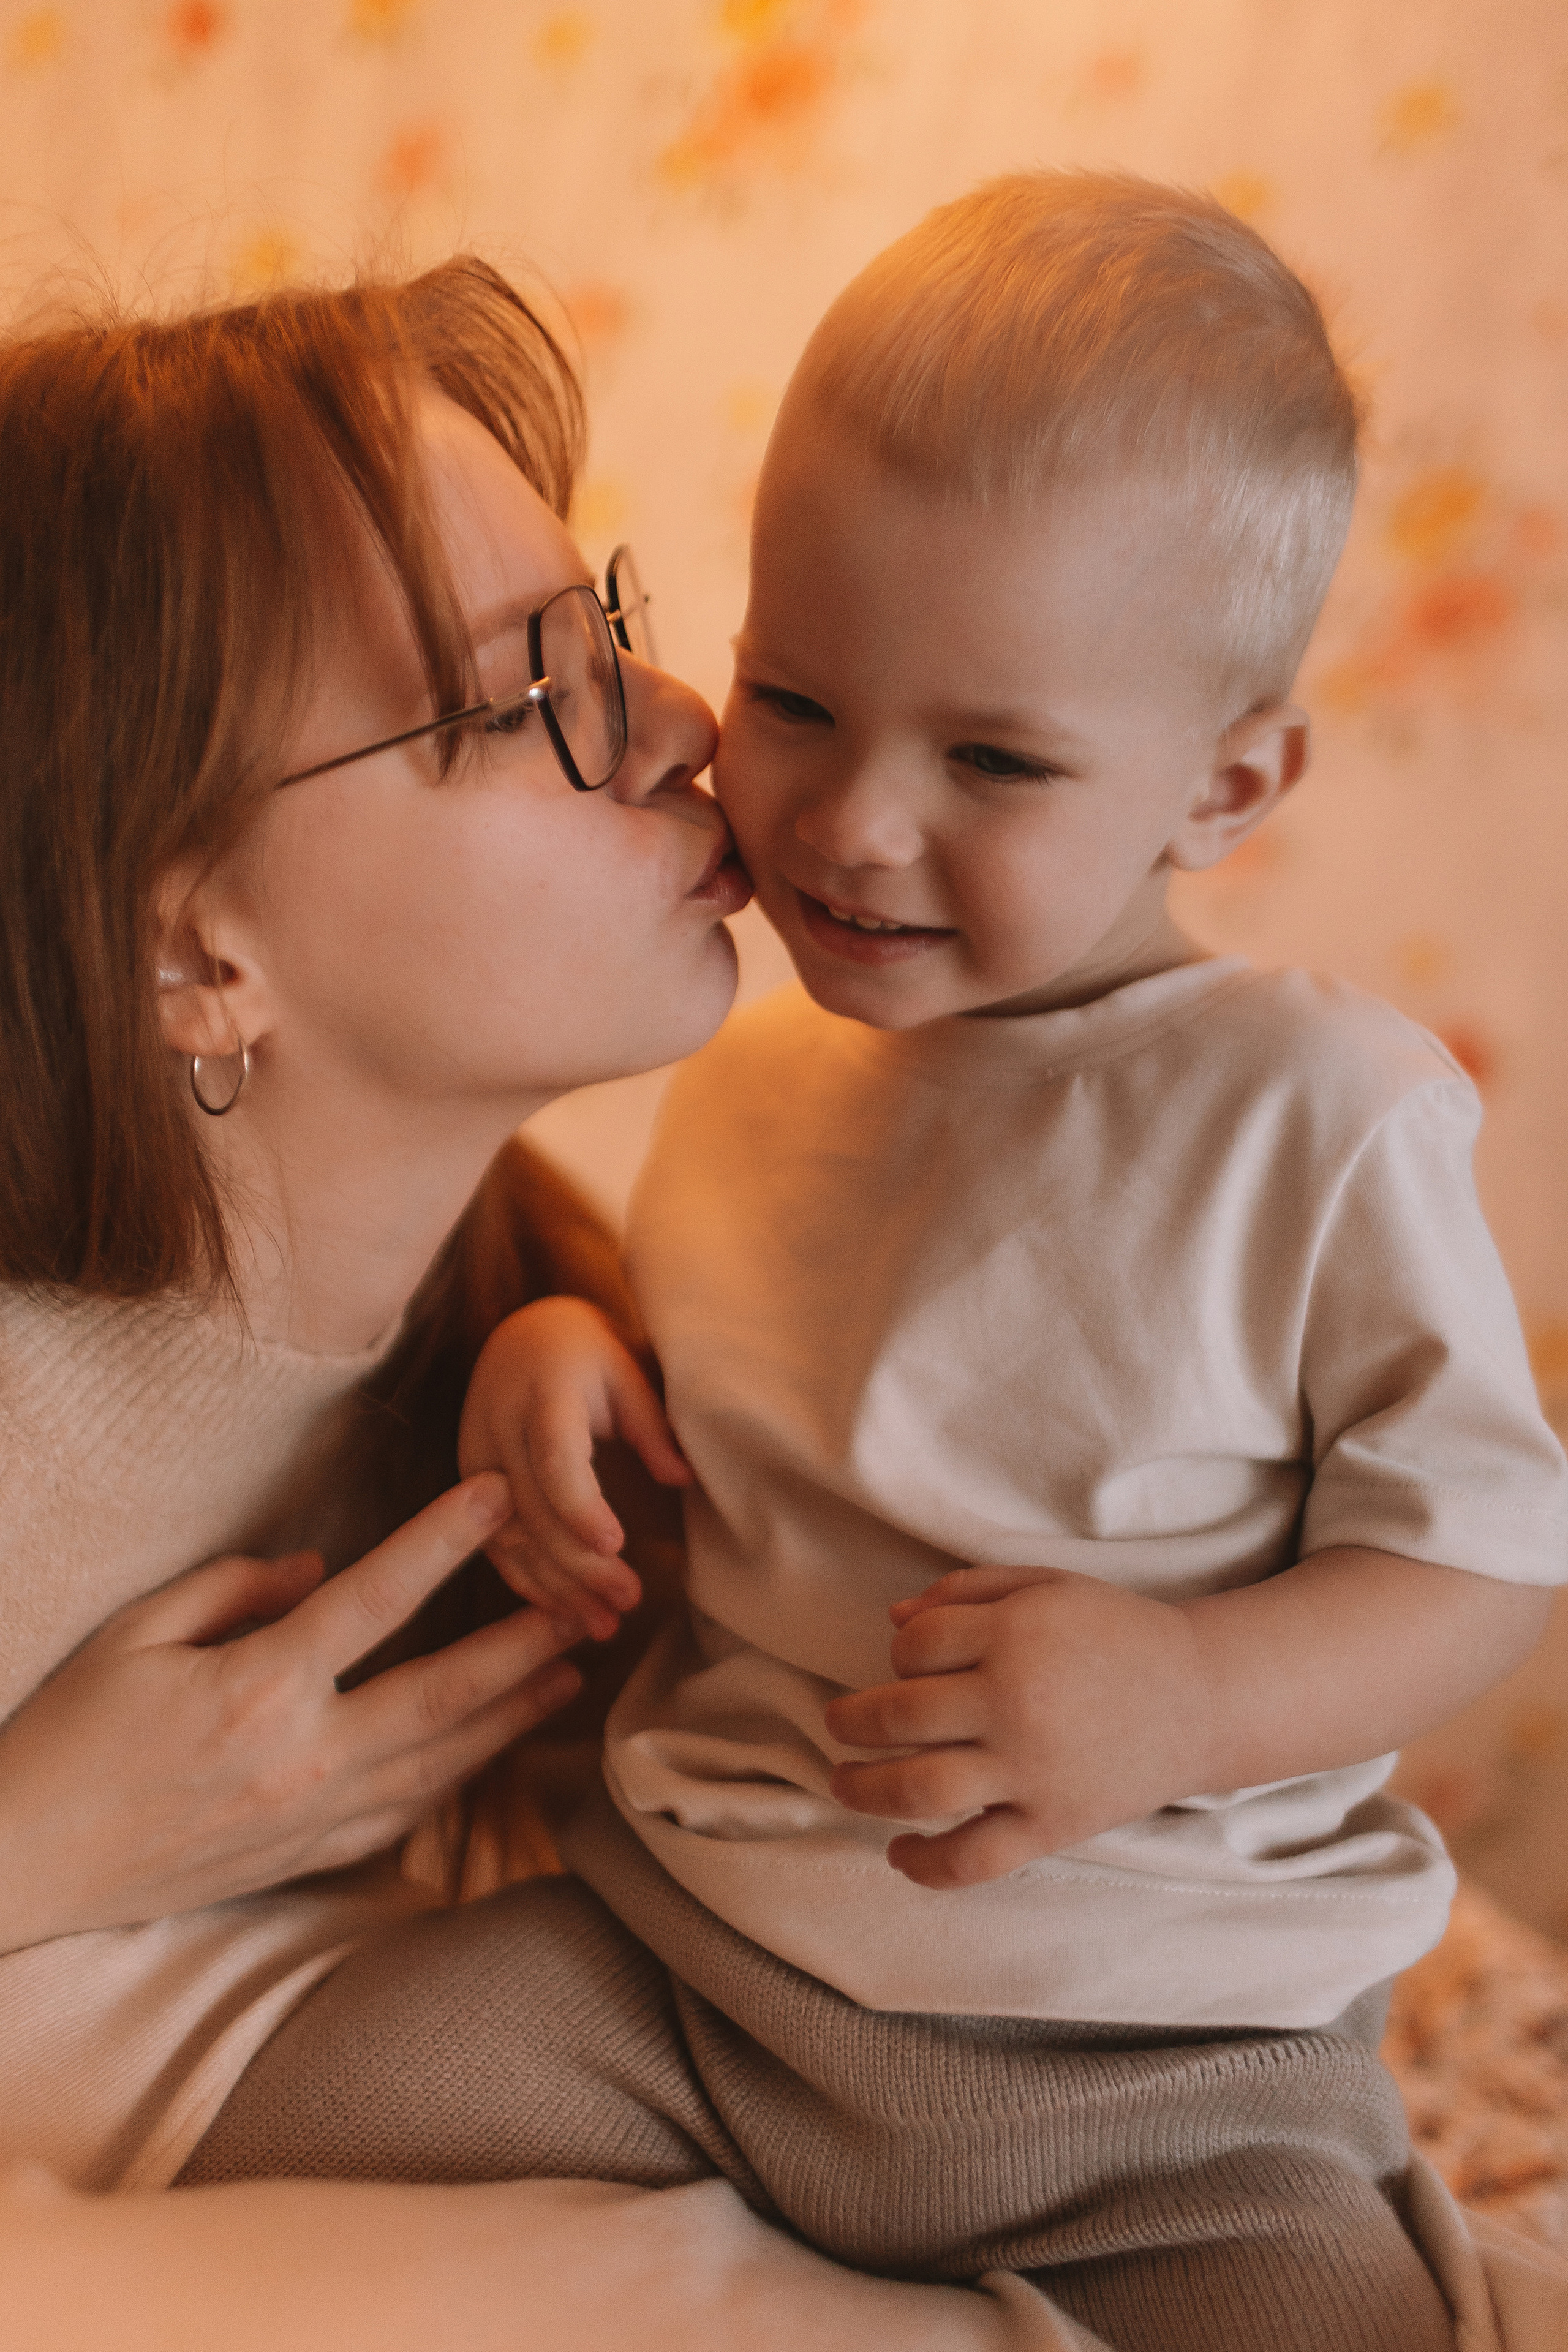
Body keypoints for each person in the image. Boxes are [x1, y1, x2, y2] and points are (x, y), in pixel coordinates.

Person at [181, 177, 1568, 2351]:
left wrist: (1193, 1694)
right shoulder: (760, 1064)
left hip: (1163, 2078)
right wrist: (570, 1351)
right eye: (798, 696)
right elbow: (744, 1405)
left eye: (992, 759)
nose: (848, 823)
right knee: (253, 2140)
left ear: (1232, 782)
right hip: (696, 1975)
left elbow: (1489, 1553)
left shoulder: (1317, 1112)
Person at [0, 254, 746, 2194]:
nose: (684, 723)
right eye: (533, 691)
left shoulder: (533, 1321)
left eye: (613, 630)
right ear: (190, 950)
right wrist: (37, 1840)